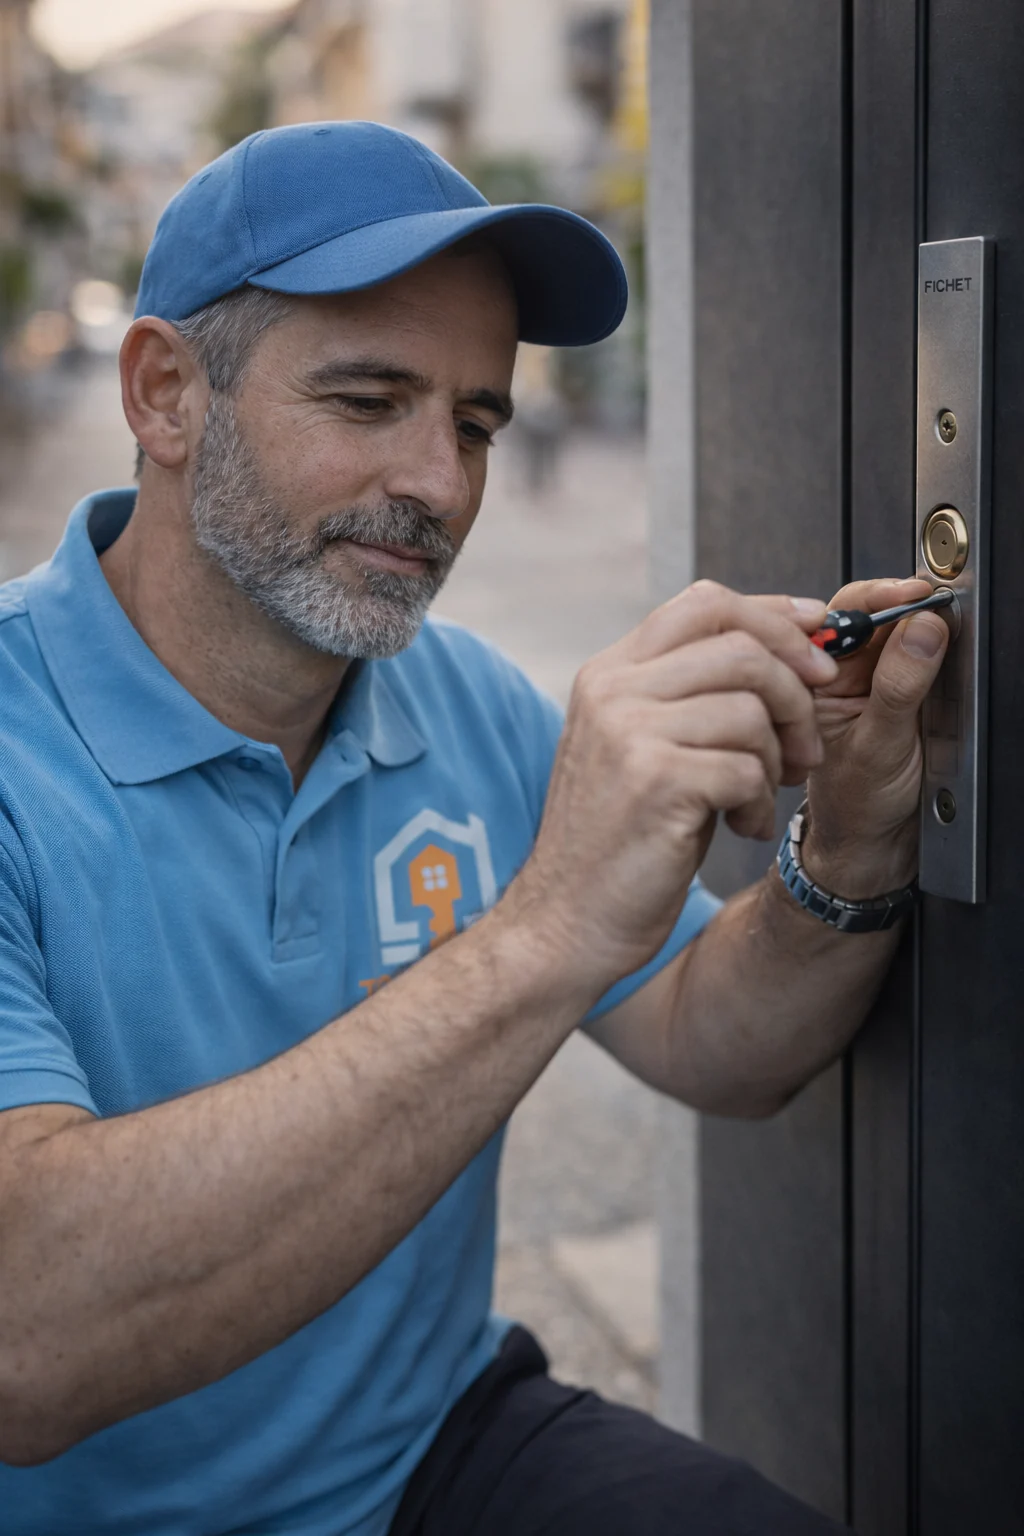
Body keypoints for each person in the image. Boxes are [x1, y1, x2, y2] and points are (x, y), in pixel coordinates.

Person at [0, 123, 948, 1535]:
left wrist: (852, 851)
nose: (441, 485)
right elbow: (31, 1341)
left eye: (476, 423)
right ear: (164, 393)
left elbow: (715, 1039)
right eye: (369, 399)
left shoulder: (461, 702)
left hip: (435, 1447)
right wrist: (548, 928)